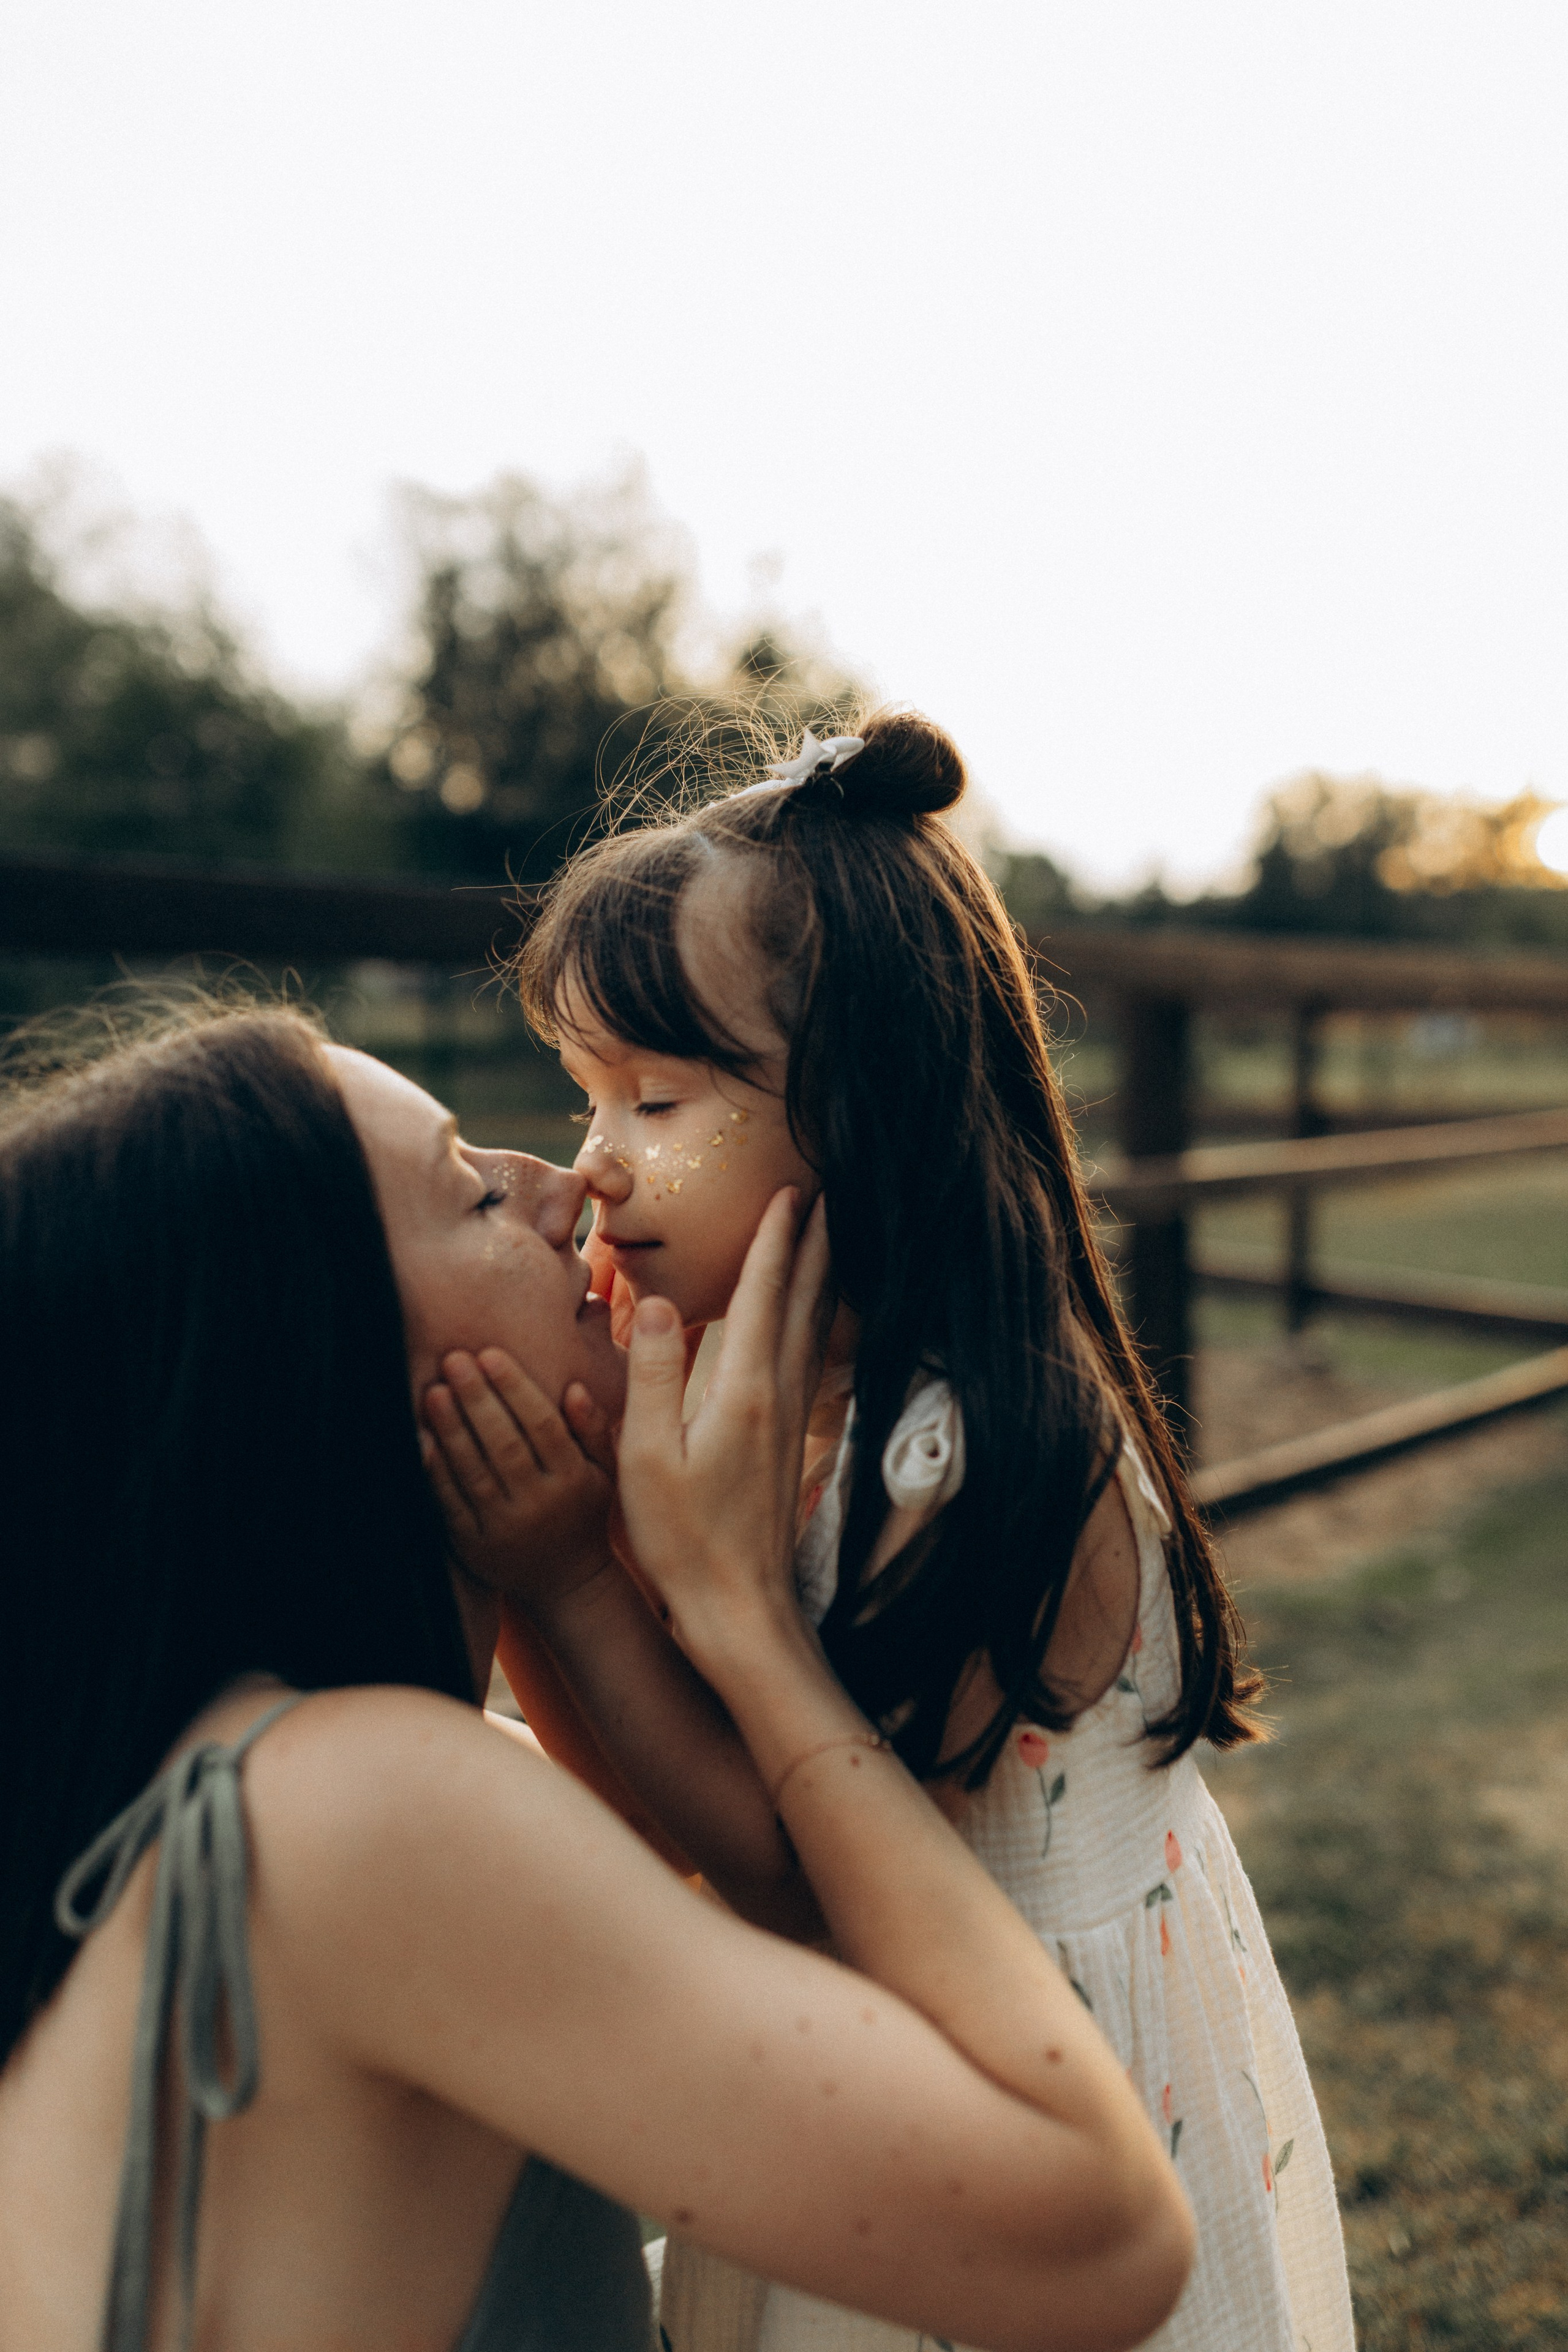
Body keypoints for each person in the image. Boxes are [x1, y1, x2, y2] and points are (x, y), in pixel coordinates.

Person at [0, 1003, 1193, 2352]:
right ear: (319, 1366)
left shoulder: (256, 1779)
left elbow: (721, 1884)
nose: (570, 1186)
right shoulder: (366, 1818)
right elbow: (1104, 2236)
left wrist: (555, 1572)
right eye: (467, 1193)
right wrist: (743, 1622)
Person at [431, 714, 1355, 2352]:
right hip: (890, 2086)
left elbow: (807, 1897)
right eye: (586, 1099)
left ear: (873, 1104)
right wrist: (557, 1567)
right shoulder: (763, 1398)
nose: (593, 1170)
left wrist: (568, 1578)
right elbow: (677, 1825)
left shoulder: (966, 1447)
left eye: (655, 1099)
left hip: (1022, 2118)